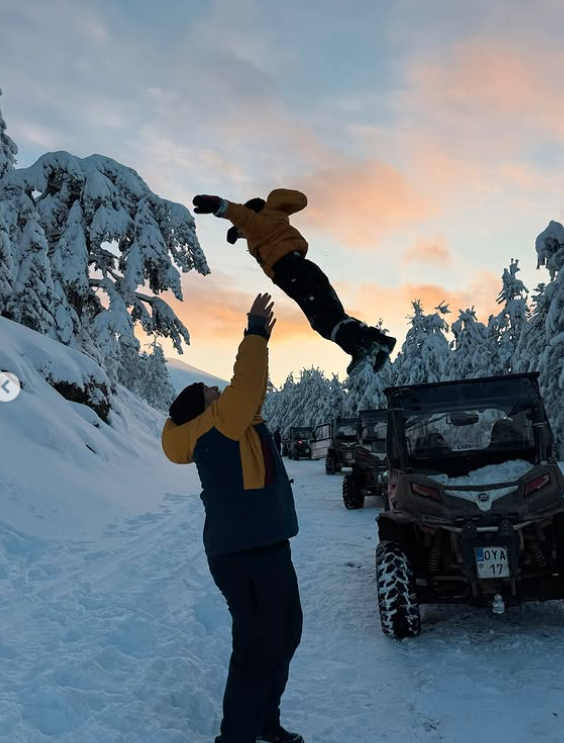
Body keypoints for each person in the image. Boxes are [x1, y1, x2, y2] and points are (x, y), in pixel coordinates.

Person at [161, 293, 304, 743]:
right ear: (205, 411)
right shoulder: (220, 424)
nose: (218, 391)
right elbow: (248, 386)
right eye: (210, 394)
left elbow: (245, 396)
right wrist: (255, 333)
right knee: (257, 647)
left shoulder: (225, 424)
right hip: (246, 551)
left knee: (284, 635)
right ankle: (237, 736)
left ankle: (263, 723)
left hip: (261, 544)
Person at [192, 189, 396, 375]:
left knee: (324, 321)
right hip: (303, 270)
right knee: (332, 315)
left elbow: (247, 220)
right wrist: (237, 231)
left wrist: (221, 206)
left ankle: (362, 346)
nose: (244, 235)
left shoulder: (259, 225)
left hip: (294, 274)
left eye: (243, 231)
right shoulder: (274, 224)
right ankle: (378, 342)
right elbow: (253, 223)